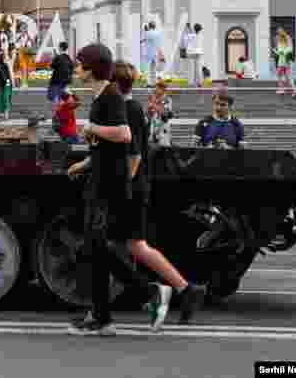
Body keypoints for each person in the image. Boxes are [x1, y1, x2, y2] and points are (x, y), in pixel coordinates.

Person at [66, 45, 205, 334]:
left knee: (119, 246)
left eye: (80, 65)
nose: (76, 70)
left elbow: (132, 150)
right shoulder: (115, 101)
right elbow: (113, 148)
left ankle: (160, 291)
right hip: (118, 185)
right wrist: (88, 162)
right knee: (111, 247)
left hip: (122, 187)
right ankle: (108, 312)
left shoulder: (122, 105)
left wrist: (121, 187)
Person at [147, 80, 174, 148]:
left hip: (163, 129)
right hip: (154, 127)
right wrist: (149, 110)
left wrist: (154, 104)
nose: (155, 90)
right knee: (152, 148)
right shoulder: (154, 99)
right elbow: (149, 114)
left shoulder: (167, 99)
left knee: (163, 148)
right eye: (155, 88)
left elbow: (164, 113)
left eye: (157, 88)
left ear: (162, 89)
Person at [273, 28, 296, 98]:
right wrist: (277, 51)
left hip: (283, 60)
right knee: (287, 76)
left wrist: (277, 51)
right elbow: (289, 49)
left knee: (280, 74)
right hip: (286, 60)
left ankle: (282, 89)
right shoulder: (285, 38)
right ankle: (294, 90)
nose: (278, 34)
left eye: (279, 32)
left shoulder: (284, 39)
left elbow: (283, 51)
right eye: (278, 32)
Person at [47, 41, 74, 108]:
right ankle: (63, 107)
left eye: (59, 47)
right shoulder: (69, 58)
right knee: (62, 95)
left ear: (60, 48)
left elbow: (50, 66)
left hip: (56, 80)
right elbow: (71, 68)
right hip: (66, 81)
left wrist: (53, 58)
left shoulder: (58, 57)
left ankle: (57, 110)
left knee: (54, 96)